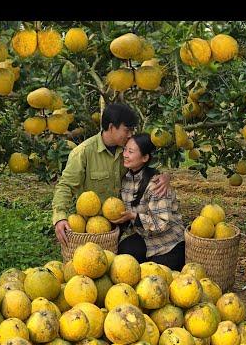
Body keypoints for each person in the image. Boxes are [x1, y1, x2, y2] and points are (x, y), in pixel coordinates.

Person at [52, 103, 170, 246]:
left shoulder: (128, 149)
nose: (130, 134)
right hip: (94, 225)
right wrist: (60, 217)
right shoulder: (83, 153)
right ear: (111, 127)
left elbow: (147, 157)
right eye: (127, 130)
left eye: (132, 130)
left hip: (121, 220)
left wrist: (164, 176)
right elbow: (66, 186)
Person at [112, 133, 185, 271]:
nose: (125, 155)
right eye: (125, 150)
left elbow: (161, 223)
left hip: (169, 243)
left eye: (131, 152)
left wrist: (134, 216)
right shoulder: (126, 179)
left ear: (145, 158)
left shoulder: (156, 183)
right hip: (147, 238)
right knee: (123, 253)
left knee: (154, 274)